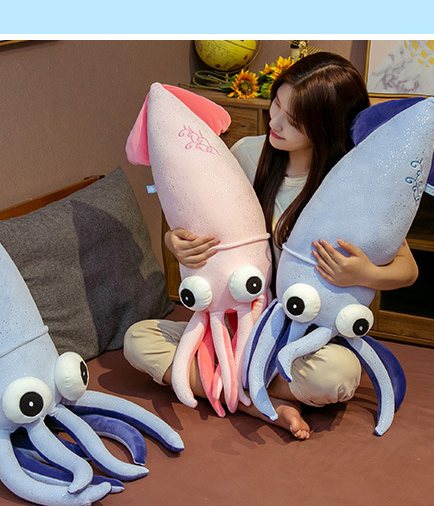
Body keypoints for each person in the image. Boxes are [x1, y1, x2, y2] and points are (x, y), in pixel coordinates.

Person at [124, 52, 418, 440]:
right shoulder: (247, 154)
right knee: (138, 340)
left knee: (337, 376)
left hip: (305, 335)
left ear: (328, 126)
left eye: (293, 120)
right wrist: (175, 242)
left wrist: (363, 273)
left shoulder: (350, 182)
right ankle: (258, 401)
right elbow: (198, 220)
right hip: (238, 322)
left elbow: (408, 269)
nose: (275, 123)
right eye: (276, 104)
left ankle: (232, 385)